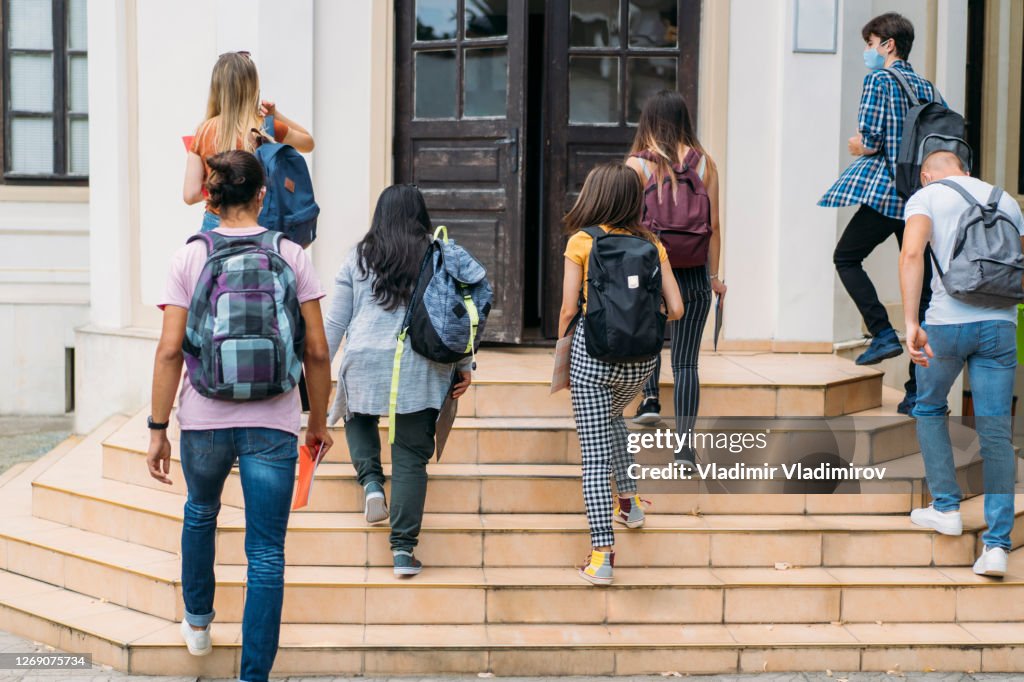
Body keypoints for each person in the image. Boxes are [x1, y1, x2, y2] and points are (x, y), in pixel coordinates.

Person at [147, 150, 332, 680]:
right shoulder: (292, 254)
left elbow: (167, 350)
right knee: (267, 552)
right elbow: (317, 350)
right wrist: (315, 422)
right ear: (262, 195)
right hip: (272, 421)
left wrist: (158, 429)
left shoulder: (190, 256)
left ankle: (199, 621)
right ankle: (253, 676)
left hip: (203, 417)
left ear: (210, 197)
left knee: (201, 512)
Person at [324, 184, 472, 578]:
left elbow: (335, 321)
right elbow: (460, 315)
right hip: (421, 364)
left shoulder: (359, 256)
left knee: (357, 414)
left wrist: (316, 370)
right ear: (421, 215)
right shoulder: (440, 253)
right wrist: (466, 366)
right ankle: (403, 551)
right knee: (410, 455)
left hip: (365, 356)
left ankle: (372, 483)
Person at [899, 150, 1024, 578]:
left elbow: (912, 254)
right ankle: (996, 548)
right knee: (995, 432)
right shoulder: (1005, 199)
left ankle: (947, 508)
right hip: (1000, 327)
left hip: (946, 325)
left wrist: (911, 321)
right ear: (967, 171)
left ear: (926, 174)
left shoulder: (927, 196)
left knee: (930, 407)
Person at [559, 163, 684, 585]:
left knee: (592, 459)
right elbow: (678, 309)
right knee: (612, 418)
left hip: (593, 360)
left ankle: (602, 556)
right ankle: (629, 504)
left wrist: (564, 349)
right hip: (641, 363)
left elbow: (568, 310)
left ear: (593, 196)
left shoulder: (582, 242)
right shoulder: (652, 243)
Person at [820, 12, 937, 415]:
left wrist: (857, 144)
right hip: (921, 196)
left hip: (888, 191)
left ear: (888, 44)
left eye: (870, 44)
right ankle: (916, 392)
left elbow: (870, 139)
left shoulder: (879, 80)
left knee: (846, 256)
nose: (867, 52)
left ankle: (883, 332)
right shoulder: (926, 86)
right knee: (921, 290)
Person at [626, 90, 727, 462]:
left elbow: (628, 222)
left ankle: (649, 397)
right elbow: (714, 226)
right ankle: (685, 450)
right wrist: (714, 276)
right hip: (695, 275)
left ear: (649, 120)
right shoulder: (706, 164)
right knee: (686, 363)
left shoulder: (637, 165)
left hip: (651, 271)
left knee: (649, 340)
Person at [183, 51, 314, 232]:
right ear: (253, 86)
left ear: (216, 88)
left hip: (216, 226)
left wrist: (217, 184)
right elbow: (308, 142)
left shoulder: (203, 131)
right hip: (260, 225)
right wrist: (275, 115)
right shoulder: (265, 128)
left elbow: (190, 195)